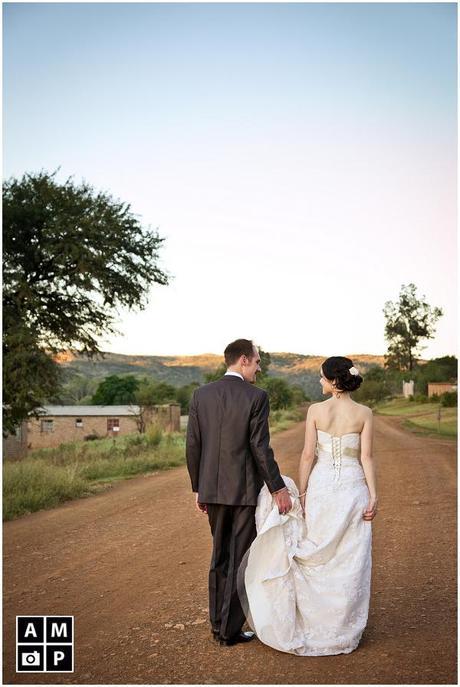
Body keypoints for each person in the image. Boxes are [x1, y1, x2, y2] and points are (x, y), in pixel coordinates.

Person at [238, 356, 377, 656]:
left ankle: (318, 619)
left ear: (334, 380)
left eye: (322, 377)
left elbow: (307, 455)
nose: (319, 382)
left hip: (324, 486)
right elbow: (366, 458)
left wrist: (303, 492)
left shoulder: (316, 410)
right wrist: (373, 495)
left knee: (318, 553)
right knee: (350, 557)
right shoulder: (365, 413)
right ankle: (343, 626)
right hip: (353, 489)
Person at [186, 338, 292, 646]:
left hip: (212, 490)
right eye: (257, 361)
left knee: (219, 556)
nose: (259, 368)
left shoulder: (200, 394)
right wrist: (278, 488)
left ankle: (218, 626)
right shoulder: (256, 396)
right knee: (240, 559)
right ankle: (229, 631)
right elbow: (260, 447)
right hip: (243, 492)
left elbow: (193, 445)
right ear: (243, 360)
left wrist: (198, 488)